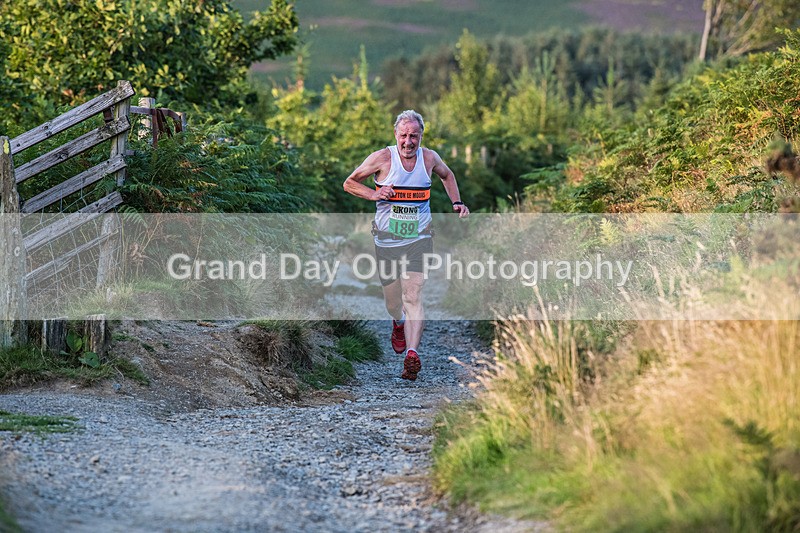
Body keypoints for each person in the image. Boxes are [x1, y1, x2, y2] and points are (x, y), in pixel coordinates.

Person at [343, 110, 469, 381]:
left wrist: (456, 202)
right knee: (393, 302)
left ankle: (412, 354)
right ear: (395, 135)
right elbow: (349, 183)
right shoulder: (382, 158)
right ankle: (397, 322)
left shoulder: (429, 158)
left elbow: (447, 176)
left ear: (421, 136)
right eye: (404, 135)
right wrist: (375, 194)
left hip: (420, 238)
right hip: (387, 240)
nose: (409, 141)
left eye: (414, 135)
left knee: (413, 295)